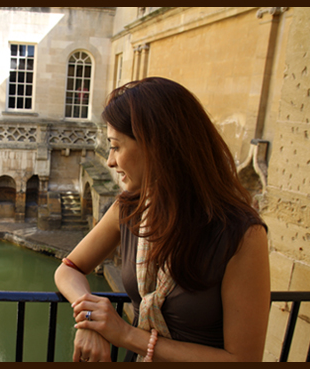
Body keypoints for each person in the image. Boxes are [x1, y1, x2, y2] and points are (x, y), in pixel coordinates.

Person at [54, 77, 270, 362]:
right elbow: (68, 269)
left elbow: (244, 360)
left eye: (116, 146)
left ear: (156, 147)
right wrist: (90, 318)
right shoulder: (130, 208)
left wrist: (127, 335)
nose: (109, 161)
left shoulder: (241, 235)